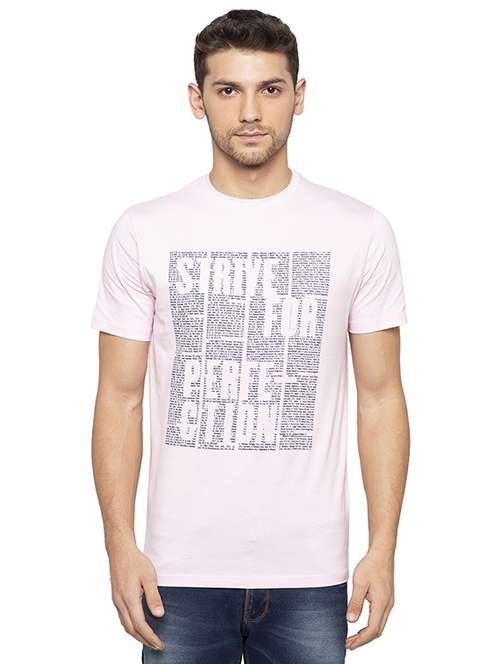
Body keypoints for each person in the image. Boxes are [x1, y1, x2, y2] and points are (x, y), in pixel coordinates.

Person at [90, 8, 410, 663]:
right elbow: (119, 398)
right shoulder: (144, 230)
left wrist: (383, 549)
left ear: (299, 95)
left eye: (269, 88)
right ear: (197, 100)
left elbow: (381, 397)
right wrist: (119, 545)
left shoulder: (360, 230)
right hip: (176, 573)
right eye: (228, 90)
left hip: (311, 573)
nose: (250, 112)